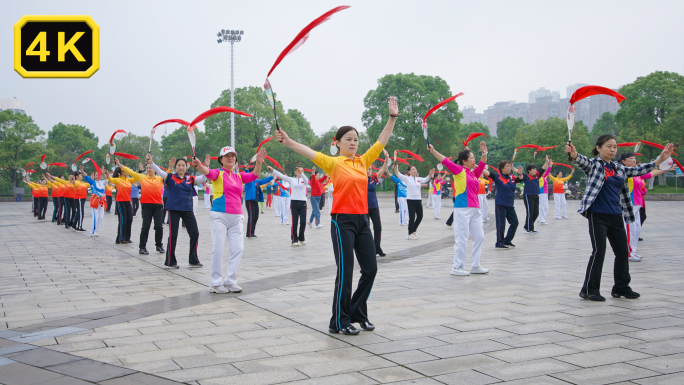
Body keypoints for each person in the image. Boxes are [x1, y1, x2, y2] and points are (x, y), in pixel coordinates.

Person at [275, 96, 398, 336]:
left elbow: (382, 140)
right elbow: (308, 152)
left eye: (356, 139)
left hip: (363, 221)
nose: (353, 143)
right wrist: (289, 142)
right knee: (346, 270)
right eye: (348, 140)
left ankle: (357, 313)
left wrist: (392, 118)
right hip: (342, 221)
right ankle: (339, 321)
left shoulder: (363, 162)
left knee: (370, 269)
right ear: (338, 143)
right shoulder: (333, 163)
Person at [567, 135, 673, 301]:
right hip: (598, 215)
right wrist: (573, 154)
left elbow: (640, 170)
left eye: (615, 147)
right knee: (599, 252)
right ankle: (589, 289)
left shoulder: (619, 168)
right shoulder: (594, 165)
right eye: (609, 146)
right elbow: (581, 161)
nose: (612, 149)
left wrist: (660, 158)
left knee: (623, 252)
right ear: (599, 147)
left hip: (616, 215)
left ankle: (621, 287)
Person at [193, 146, 266, 293]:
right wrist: (200, 165)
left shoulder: (239, 176)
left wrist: (258, 163)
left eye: (232, 156)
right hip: (219, 215)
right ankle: (215, 283)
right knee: (218, 249)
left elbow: (254, 176)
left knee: (238, 249)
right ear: (221, 159)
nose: (230, 158)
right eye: (227, 156)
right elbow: (206, 172)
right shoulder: (217, 173)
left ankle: (230, 280)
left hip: (237, 216)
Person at [428, 143, 489, 276]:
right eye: (472, 158)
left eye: (474, 158)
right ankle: (457, 267)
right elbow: (445, 161)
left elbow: (482, 165)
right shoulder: (459, 170)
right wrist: (433, 151)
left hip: (475, 210)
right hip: (462, 208)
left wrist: (484, 153)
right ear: (464, 161)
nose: (474, 160)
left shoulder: (474, 174)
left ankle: (475, 265)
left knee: (479, 237)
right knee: (462, 238)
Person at [149, 155, 205, 269]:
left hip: (187, 209)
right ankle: (170, 261)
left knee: (195, 233)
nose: (181, 167)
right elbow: (159, 171)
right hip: (173, 209)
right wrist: (151, 162)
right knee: (173, 235)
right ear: (175, 167)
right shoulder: (170, 177)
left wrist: (204, 165)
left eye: (183, 165)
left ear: (186, 167)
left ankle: (193, 260)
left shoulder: (190, 179)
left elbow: (204, 178)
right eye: (179, 165)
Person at [618, 153, 671, 262]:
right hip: (630, 204)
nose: (633, 160)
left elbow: (650, 174)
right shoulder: (624, 172)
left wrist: (666, 168)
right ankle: (628, 253)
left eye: (634, 158)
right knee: (630, 228)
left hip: (638, 204)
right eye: (631, 158)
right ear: (623, 161)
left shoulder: (636, 173)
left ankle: (632, 251)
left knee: (637, 228)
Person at [118, 161, 165, 255]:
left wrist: (171, 167)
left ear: (155, 169)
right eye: (147, 168)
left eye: (150, 167)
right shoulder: (142, 177)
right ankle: (142, 247)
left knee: (159, 226)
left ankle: (159, 245)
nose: (148, 169)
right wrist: (120, 165)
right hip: (146, 206)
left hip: (158, 206)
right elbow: (130, 172)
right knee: (146, 226)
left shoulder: (160, 178)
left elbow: (168, 174)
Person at [489, 161, 524, 249]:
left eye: (510, 166)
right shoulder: (497, 176)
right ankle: (499, 242)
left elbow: (521, 179)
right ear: (502, 168)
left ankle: (507, 240)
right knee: (501, 224)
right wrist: (477, 166)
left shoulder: (512, 177)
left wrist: (518, 172)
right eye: (507, 166)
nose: (509, 168)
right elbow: (486, 172)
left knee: (515, 222)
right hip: (500, 204)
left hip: (510, 205)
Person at [393, 164, 434, 240]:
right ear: (409, 171)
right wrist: (395, 170)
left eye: (415, 169)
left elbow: (425, 179)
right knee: (412, 217)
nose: (415, 170)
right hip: (410, 200)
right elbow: (399, 175)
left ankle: (414, 230)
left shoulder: (418, 179)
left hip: (418, 200)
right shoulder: (407, 178)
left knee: (420, 216)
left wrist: (430, 175)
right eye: (413, 169)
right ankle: (409, 233)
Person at [272, 165, 309, 246]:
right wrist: (273, 170)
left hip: (303, 203)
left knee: (303, 222)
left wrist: (301, 173)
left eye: (301, 170)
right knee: (295, 222)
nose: (299, 171)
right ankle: (294, 239)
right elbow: (281, 176)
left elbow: (307, 180)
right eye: (297, 170)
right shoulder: (292, 180)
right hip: (294, 203)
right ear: (295, 172)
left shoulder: (304, 179)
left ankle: (301, 237)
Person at [367, 149, 390, 256]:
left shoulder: (373, 178)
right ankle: (368, 249)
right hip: (363, 208)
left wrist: (386, 159)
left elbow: (384, 169)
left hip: (374, 207)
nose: (369, 171)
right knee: (365, 230)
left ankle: (377, 248)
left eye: (370, 169)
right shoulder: (359, 179)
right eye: (367, 169)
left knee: (378, 227)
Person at [105, 163, 134, 244]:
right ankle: (122, 238)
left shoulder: (129, 180)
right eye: (126, 170)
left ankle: (127, 238)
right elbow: (110, 179)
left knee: (129, 219)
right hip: (120, 202)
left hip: (128, 202)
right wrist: (107, 174)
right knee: (123, 220)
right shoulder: (117, 179)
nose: (127, 172)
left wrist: (139, 170)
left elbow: (136, 177)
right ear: (121, 172)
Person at [521, 158, 550, 234]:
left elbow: (543, 168)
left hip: (536, 196)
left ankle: (526, 226)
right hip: (528, 196)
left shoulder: (537, 176)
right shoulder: (526, 176)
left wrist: (546, 162)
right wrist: (515, 169)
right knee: (530, 212)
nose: (535, 170)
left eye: (535, 169)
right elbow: (520, 175)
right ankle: (530, 229)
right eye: (533, 169)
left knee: (536, 213)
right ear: (529, 171)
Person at [243, 167, 273, 238]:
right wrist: (246, 170)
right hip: (250, 200)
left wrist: (272, 177)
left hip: (255, 200)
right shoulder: (248, 180)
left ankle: (252, 232)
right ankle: (249, 233)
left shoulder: (256, 181)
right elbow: (246, 175)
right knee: (251, 216)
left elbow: (263, 181)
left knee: (256, 216)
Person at [81, 169, 107, 237]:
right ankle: (93, 231)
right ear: (94, 176)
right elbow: (86, 176)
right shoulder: (92, 182)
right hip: (94, 201)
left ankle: (95, 230)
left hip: (101, 201)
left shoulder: (103, 182)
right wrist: (82, 170)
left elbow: (107, 180)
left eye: (99, 175)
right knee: (95, 217)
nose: (97, 176)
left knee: (101, 217)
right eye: (96, 175)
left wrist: (104, 173)